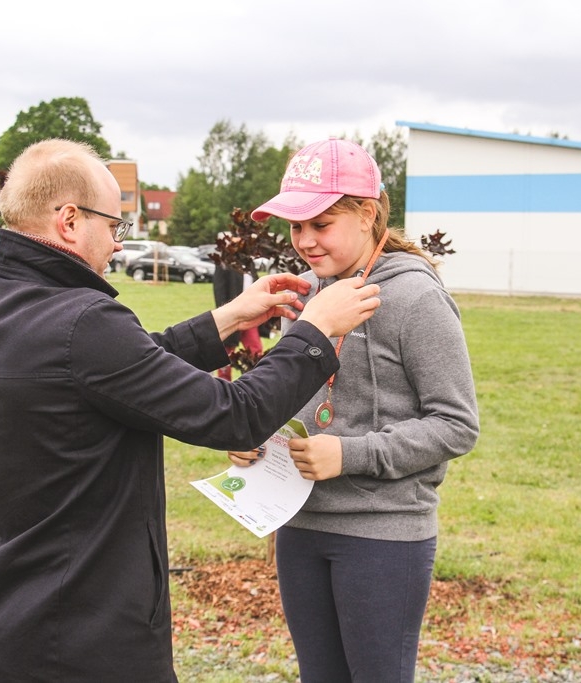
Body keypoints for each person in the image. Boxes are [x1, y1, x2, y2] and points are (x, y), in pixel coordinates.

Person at [0, 138, 381, 683]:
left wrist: (230, 317)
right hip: (81, 627)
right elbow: (234, 414)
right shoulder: (83, 322)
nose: (119, 245)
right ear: (70, 222)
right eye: (115, 226)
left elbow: (117, 375)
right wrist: (316, 331)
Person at [228, 138, 480, 683]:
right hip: (297, 526)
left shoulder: (415, 298)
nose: (305, 241)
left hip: (382, 535)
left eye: (321, 224)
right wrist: (258, 432)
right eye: (296, 227)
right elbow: (296, 394)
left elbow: (457, 425)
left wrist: (350, 454)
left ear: (367, 214)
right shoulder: (310, 297)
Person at [211, 255, 263, 380]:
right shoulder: (224, 260)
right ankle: (223, 383)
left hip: (250, 313)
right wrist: (225, 311)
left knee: (255, 349)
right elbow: (219, 288)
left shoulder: (249, 261)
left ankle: (254, 382)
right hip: (232, 313)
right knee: (226, 351)